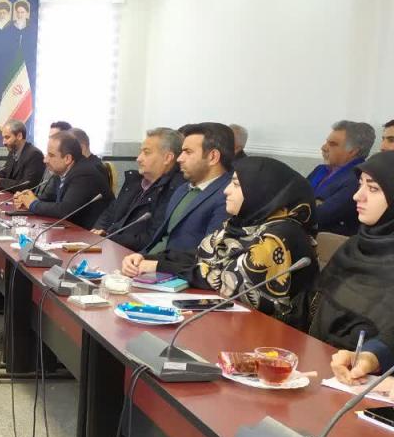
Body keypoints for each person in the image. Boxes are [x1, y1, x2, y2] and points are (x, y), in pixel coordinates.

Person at [175, 157, 319, 329]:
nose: (226, 191)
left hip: (271, 335)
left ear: (261, 191)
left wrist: (170, 267)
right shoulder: (243, 225)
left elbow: (231, 286)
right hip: (234, 324)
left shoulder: (280, 235)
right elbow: (202, 259)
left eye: (236, 184)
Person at [316, 152, 394, 394]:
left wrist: (373, 355)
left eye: (373, 188)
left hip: (366, 388)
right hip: (330, 366)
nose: (357, 196)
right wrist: (369, 356)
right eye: (360, 185)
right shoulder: (355, 246)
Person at [121, 122, 234, 276]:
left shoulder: (228, 196)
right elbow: (164, 239)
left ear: (213, 157)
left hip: (185, 278)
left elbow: (209, 256)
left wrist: (156, 265)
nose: (180, 158)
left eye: (188, 152)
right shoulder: (182, 189)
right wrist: (140, 257)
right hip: (156, 270)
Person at [92, 127, 186, 251]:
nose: (139, 158)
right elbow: (110, 212)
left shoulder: (175, 190)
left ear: (167, 158)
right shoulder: (135, 181)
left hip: (133, 256)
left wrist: (108, 237)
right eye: (140, 152)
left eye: (146, 153)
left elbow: (151, 238)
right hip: (110, 246)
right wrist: (98, 232)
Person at [13, 131, 112, 229]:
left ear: (67, 158)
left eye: (51, 155)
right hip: (70, 228)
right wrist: (26, 199)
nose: (45, 160)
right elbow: (49, 199)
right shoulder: (61, 171)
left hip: (90, 233)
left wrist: (33, 204)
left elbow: (65, 210)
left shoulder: (84, 173)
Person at [306, 120, 375, 235]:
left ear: (353, 151)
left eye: (332, 144)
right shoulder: (320, 169)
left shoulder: (358, 178)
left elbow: (319, 216)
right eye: (326, 142)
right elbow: (294, 196)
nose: (323, 148)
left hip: (329, 239)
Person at [0, 119, 45, 193]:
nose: (3, 142)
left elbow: (27, 185)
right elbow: (5, 173)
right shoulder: (13, 151)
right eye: (3, 138)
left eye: (7, 137)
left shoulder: (34, 154)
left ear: (19, 136)